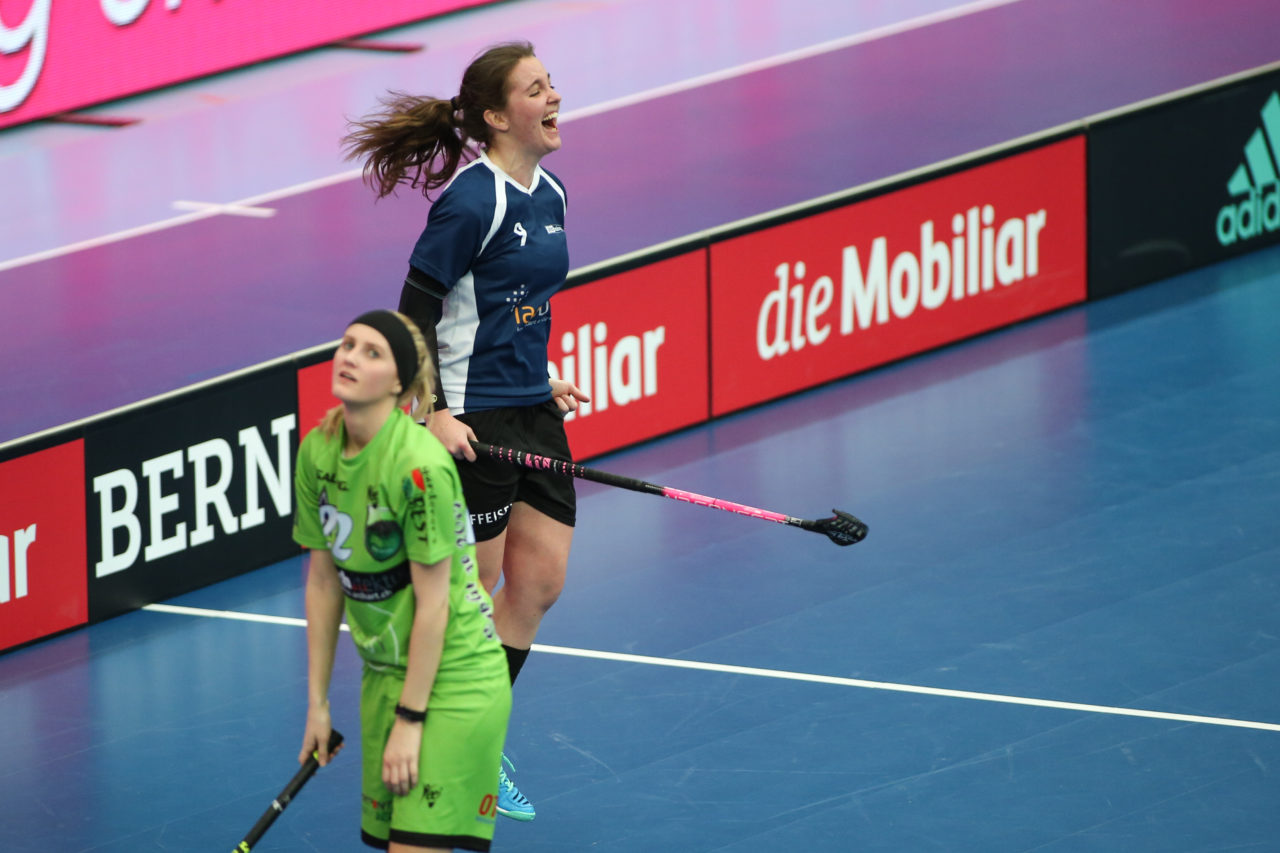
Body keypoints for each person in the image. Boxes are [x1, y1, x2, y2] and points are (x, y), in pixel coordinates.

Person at [342, 41, 587, 822]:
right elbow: (414, 313)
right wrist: (436, 411)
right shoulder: (470, 202)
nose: (553, 97)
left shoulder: (552, 193)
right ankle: (446, 739)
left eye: (550, 84)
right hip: (471, 419)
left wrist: (544, 374)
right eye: (535, 89)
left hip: (531, 410)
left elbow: (519, 304)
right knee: (470, 597)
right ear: (496, 116)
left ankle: (479, 733)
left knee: (539, 581)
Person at [295, 309, 511, 852]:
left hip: (455, 679)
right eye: (348, 344)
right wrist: (318, 704)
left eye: (372, 352)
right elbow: (323, 583)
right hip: (383, 678)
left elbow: (434, 605)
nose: (350, 357)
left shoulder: (420, 468)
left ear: (399, 383)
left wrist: (411, 719)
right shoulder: (317, 451)